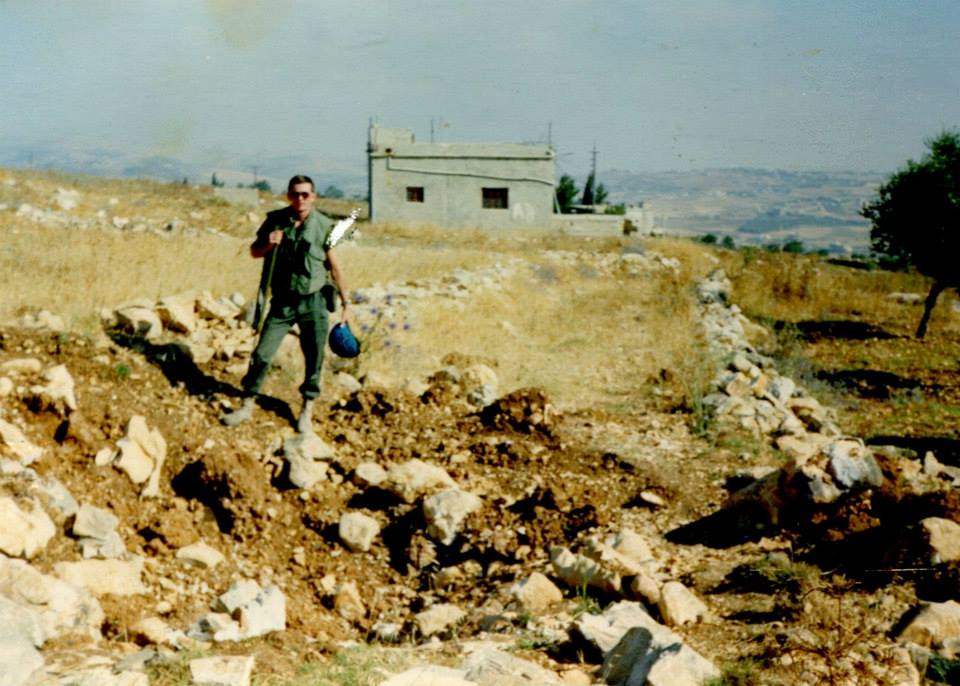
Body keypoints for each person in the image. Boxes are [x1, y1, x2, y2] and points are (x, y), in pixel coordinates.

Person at [222, 175, 350, 433]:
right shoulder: (276, 220)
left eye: (305, 194)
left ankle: (307, 409)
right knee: (262, 354)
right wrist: (269, 243)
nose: (300, 199)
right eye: (295, 194)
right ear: (289, 196)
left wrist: (347, 303)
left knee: (314, 357)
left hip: (314, 301)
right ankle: (247, 403)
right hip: (283, 303)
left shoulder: (325, 226)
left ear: (313, 196)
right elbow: (254, 251)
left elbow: (335, 267)